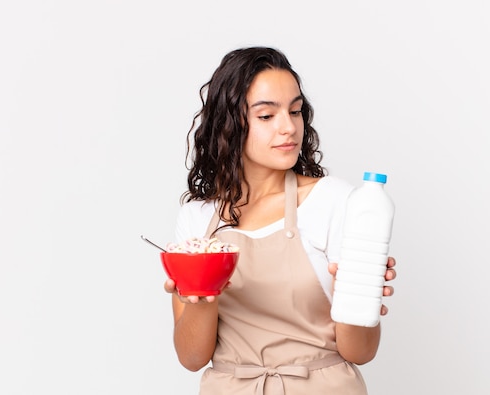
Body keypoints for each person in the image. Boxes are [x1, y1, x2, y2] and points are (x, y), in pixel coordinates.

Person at [164, 46, 397, 395]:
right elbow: (192, 356)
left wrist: (360, 298)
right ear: (229, 123)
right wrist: (202, 292)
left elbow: (359, 351)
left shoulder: (332, 200)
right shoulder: (198, 219)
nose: (289, 127)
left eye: (296, 111)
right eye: (266, 116)